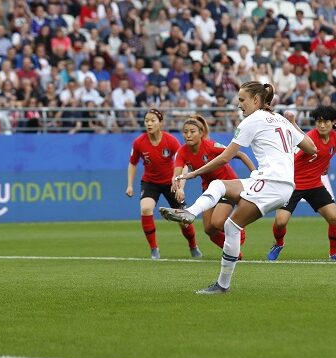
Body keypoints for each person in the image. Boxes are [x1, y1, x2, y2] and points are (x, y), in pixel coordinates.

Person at [159, 81, 316, 294]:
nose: (239, 104)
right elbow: (311, 148)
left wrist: (194, 173)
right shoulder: (279, 119)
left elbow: (225, 158)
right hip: (278, 182)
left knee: (232, 227)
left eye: (242, 100)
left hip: (272, 182)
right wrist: (292, 124)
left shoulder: (252, 120)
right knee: (218, 185)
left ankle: (223, 285)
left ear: (256, 100)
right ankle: (189, 212)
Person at [174, 115, 256, 259]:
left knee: (217, 223)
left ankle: (238, 227)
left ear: (201, 133)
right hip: (209, 188)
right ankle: (235, 253)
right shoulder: (182, 151)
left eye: (192, 131)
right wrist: (179, 187)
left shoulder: (211, 146)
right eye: (185, 132)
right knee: (209, 230)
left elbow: (241, 155)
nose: (188, 135)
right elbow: (178, 172)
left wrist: (255, 174)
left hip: (227, 186)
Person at [126, 108, 202, 260]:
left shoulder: (171, 141)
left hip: (171, 182)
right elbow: (132, 163)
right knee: (146, 208)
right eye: (146, 120)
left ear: (160, 123)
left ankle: (193, 246)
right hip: (150, 182)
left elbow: (184, 163)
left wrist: (180, 185)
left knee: (182, 218)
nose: (149, 123)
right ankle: (154, 249)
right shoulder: (139, 142)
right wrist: (130, 185)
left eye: (152, 120)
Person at [267, 106, 336, 262]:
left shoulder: (334, 137)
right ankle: (278, 244)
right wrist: (292, 123)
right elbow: (291, 156)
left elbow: (328, 153)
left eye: (326, 122)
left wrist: (326, 165)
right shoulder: (309, 139)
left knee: (334, 218)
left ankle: (333, 252)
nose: (322, 125)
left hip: (315, 186)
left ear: (333, 122)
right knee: (280, 222)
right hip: (293, 186)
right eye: (319, 122)